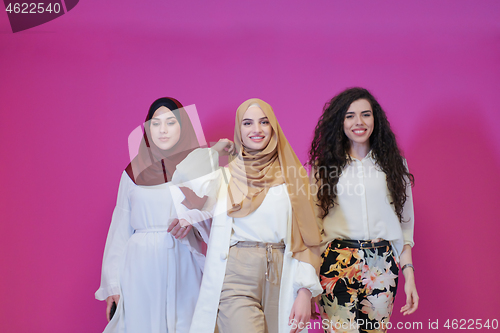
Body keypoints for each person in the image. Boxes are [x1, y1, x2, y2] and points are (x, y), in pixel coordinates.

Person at [95, 97, 228, 333]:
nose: (163, 130)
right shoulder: (133, 172)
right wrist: (113, 285)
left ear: (183, 126)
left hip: (184, 260)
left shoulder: (199, 167)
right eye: (155, 123)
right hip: (140, 266)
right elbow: (120, 228)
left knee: (187, 324)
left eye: (171, 122)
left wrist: (192, 223)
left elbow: (217, 218)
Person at [190, 98, 323, 333]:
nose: (257, 130)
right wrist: (216, 150)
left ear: (273, 127)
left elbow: (309, 238)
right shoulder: (226, 175)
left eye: (264, 122)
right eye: (247, 123)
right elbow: (185, 177)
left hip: (282, 271)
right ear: (239, 130)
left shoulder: (294, 177)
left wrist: (305, 291)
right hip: (236, 273)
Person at [308, 87, 418, 333]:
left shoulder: (394, 165)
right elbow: (313, 225)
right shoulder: (323, 167)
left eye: (365, 114)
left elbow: (404, 223)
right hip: (336, 261)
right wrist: (309, 277)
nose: (359, 122)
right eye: (350, 116)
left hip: (382, 263)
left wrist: (408, 273)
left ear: (375, 119)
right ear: (340, 122)